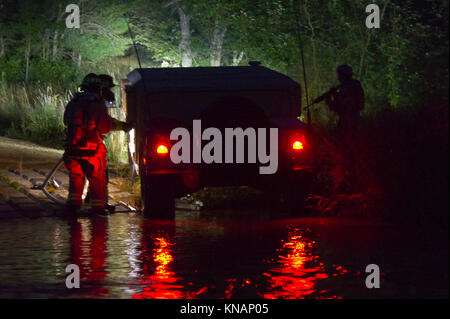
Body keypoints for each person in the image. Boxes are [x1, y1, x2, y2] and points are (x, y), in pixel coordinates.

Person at [63, 73, 132, 215]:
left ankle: (73, 209)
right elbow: (105, 128)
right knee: (97, 179)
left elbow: (66, 121)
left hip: (72, 150)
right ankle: (99, 211)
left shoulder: (74, 102)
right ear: (99, 88)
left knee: (75, 179)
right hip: (92, 151)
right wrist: (123, 126)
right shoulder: (97, 103)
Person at [325, 65, 365, 135]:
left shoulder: (348, 87)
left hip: (348, 121)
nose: (338, 77)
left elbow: (337, 107)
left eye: (340, 75)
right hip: (352, 120)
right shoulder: (354, 85)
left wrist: (329, 98)